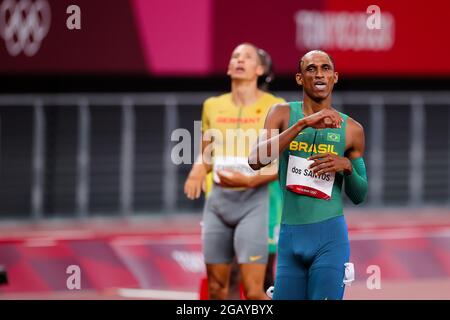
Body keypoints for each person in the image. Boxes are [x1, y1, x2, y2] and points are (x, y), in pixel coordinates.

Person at [249, 50, 368, 300]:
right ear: (299, 79)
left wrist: (347, 166)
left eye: (325, 68)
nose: (319, 74)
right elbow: (256, 160)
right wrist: (303, 124)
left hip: (330, 241)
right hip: (290, 241)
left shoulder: (353, 130)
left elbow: (359, 195)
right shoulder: (281, 113)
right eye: (311, 69)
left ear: (335, 77)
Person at [184, 43, 284, 300]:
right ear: (228, 68)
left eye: (247, 57)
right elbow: (206, 154)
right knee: (220, 285)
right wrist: (198, 169)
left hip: (263, 201)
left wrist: (250, 180)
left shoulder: (277, 107)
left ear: (260, 69)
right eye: (234, 56)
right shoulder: (212, 106)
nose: (239, 60)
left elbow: (280, 163)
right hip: (219, 200)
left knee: (260, 282)